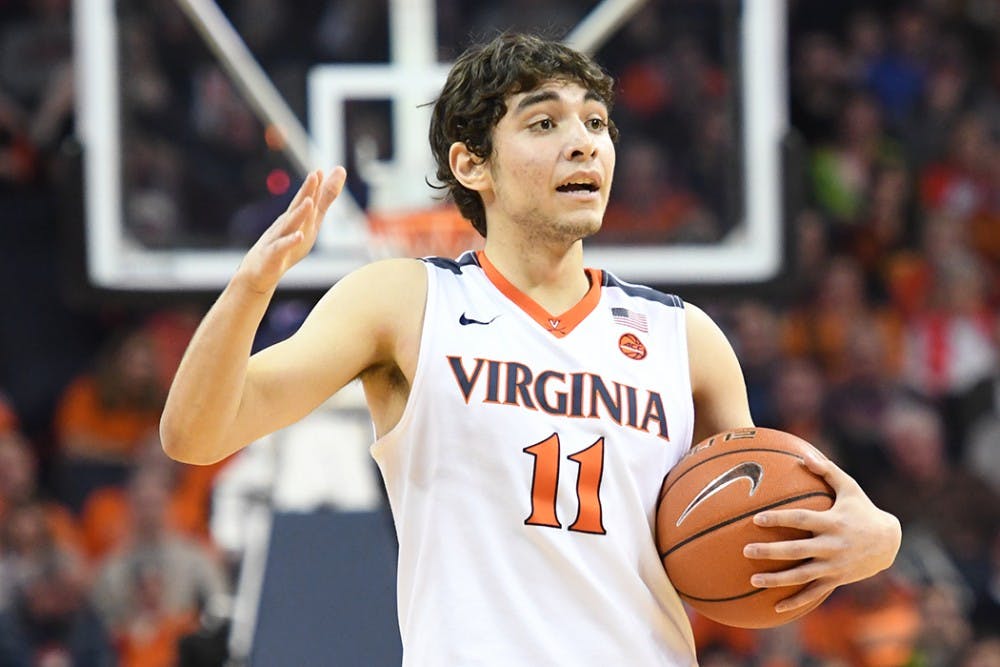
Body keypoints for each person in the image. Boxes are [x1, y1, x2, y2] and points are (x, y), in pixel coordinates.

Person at [160, 33, 902, 665]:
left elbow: (753, 534)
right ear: (471, 164)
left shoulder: (688, 340)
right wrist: (250, 288)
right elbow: (196, 435)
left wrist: (873, 537)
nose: (584, 140)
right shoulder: (404, 302)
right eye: (543, 124)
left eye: (598, 122)